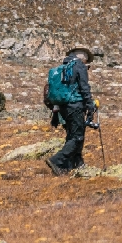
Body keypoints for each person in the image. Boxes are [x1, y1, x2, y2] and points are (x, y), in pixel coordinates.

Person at [43, 46, 95, 175]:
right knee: (77, 137)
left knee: (72, 135)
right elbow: (84, 88)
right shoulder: (79, 66)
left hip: (63, 107)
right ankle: (57, 160)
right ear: (82, 56)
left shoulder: (61, 69)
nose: (87, 62)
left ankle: (74, 164)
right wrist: (90, 105)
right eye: (87, 59)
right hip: (75, 105)